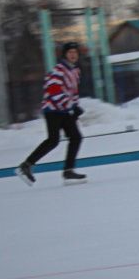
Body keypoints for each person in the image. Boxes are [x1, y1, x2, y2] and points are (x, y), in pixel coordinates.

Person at [16, 41, 87, 185]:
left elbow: (73, 92)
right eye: (70, 52)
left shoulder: (75, 71)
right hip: (53, 110)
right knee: (53, 140)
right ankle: (26, 165)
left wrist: (75, 106)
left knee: (76, 137)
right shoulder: (58, 70)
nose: (73, 55)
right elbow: (54, 92)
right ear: (65, 55)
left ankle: (68, 171)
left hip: (64, 110)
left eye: (75, 52)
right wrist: (70, 107)